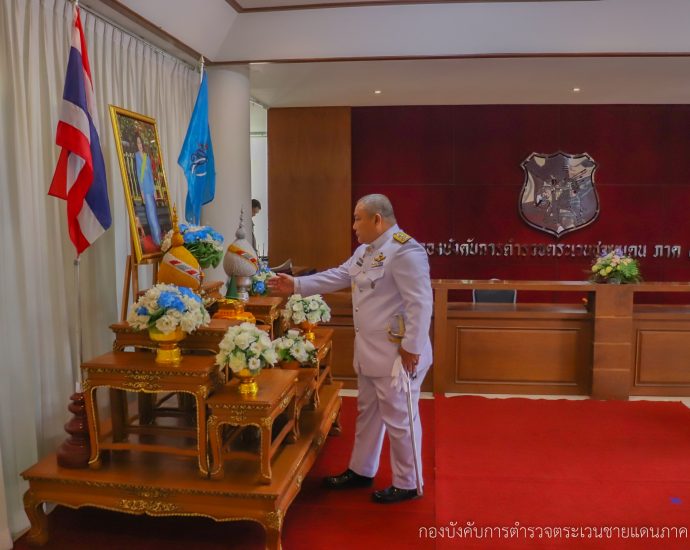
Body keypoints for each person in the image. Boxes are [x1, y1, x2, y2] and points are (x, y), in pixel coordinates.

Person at [268, 193, 432, 504]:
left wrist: (412, 348)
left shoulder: (405, 251)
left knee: (400, 419)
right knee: (368, 413)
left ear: (377, 219)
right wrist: (296, 285)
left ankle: (408, 482)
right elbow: (339, 276)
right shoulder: (364, 252)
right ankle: (361, 470)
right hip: (370, 352)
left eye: (358, 219)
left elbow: (421, 303)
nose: (353, 225)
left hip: (397, 356)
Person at [134, 132, 162, 246]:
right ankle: (157, 239)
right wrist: (141, 191)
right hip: (144, 188)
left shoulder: (147, 156)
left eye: (140, 142)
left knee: (153, 213)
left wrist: (154, 190)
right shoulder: (136, 156)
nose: (139, 145)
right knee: (150, 214)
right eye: (137, 143)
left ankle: (158, 238)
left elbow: (150, 173)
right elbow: (138, 174)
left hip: (150, 187)